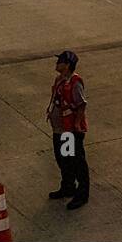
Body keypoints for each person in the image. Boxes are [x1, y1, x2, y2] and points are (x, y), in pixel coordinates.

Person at [46, 50, 89, 209]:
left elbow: (81, 104)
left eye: (61, 61)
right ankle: (68, 186)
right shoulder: (60, 80)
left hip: (69, 130)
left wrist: (77, 124)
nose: (57, 64)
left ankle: (82, 194)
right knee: (63, 159)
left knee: (75, 162)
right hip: (60, 129)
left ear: (68, 64)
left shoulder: (75, 82)